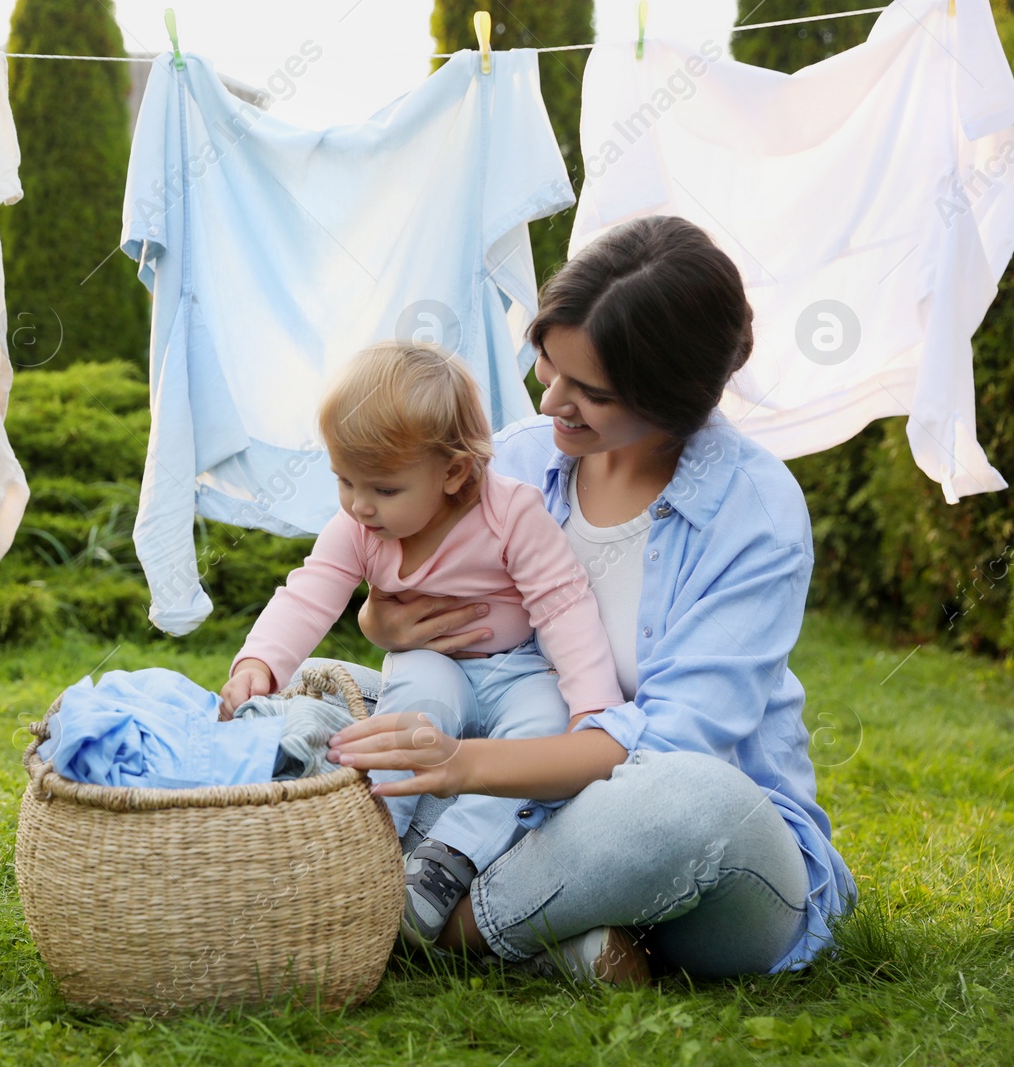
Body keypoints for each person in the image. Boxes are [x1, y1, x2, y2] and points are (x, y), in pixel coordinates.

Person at [321, 215, 857, 984]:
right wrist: (383, 618)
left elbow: (667, 750)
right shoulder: (517, 459)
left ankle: (443, 922)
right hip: (515, 780)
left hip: (678, 834)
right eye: (549, 368)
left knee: (694, 803)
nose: (551, 404)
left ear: (672, 398)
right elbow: (429, 621)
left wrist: (462, 764)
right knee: (336, 701)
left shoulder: (755, 510)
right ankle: (569, 937)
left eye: (589, 392)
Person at [220, 341, 623, 948]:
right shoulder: (360, 529)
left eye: (382, 489)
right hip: (433, 661)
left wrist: (593, 703)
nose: (359, 504)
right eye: (343, 481)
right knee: (414, 699)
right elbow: (310, 593)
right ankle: (375, 835)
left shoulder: (510, 513)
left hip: (520, 670)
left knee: (548, 727)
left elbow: (564, 604)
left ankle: (444, 863)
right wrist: (260, 662)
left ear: (454, 472)